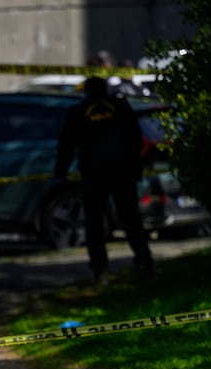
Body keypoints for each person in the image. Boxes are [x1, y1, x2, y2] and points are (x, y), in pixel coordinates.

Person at [54, 75, 154, 282]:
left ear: (86, 91)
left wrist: (60, 173)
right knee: (130, 218)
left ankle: (100, 268)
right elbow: (135, 139)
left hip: (94, 173)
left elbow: (66, 144)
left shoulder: (79, 112)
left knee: (95, 222)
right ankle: (143, 260)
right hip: (122, 171)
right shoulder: (121, 107)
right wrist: (136, 168)